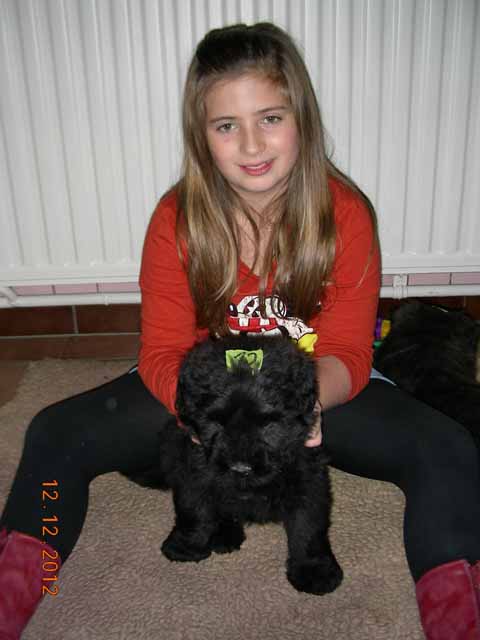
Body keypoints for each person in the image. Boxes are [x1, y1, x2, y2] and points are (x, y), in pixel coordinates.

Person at [0, 22, 479, 640]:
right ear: (202, 138)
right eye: (226, 125)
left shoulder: (347, 215)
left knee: (448, 449)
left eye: (270, 118)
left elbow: (347, 351)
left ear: (302, 119)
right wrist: (201, 418)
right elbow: (163, 352)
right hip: (207, 397)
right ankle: (19, 594)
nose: (252, 143)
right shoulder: (176, 220)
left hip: (311, 391)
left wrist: (306, 410)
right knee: (53, 432)